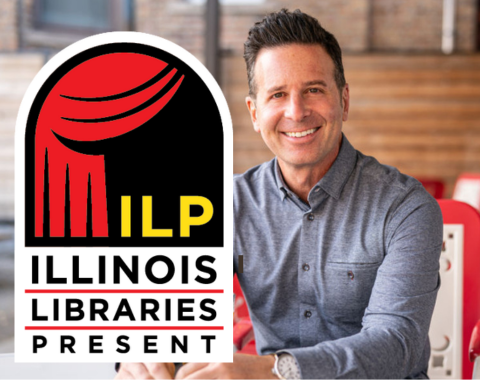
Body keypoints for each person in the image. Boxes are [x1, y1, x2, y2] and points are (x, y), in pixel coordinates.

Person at [115, 9, 442, 379]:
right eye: (278, 94)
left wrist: (275, 371)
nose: (296, 111)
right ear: (255, 113)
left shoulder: (405, 207)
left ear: (344, 101)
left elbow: (396, 343)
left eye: (313, 90)